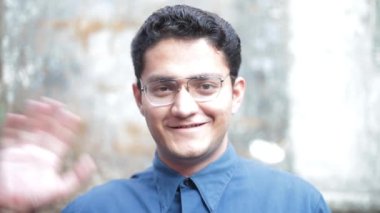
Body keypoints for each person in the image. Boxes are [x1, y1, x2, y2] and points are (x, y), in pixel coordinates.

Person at [0, 4, 331, 213]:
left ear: (236, 93)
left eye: (205, 85)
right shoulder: (93, 209)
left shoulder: (297, 203)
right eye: (163, 88)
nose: (184, 107)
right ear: (139, 98)